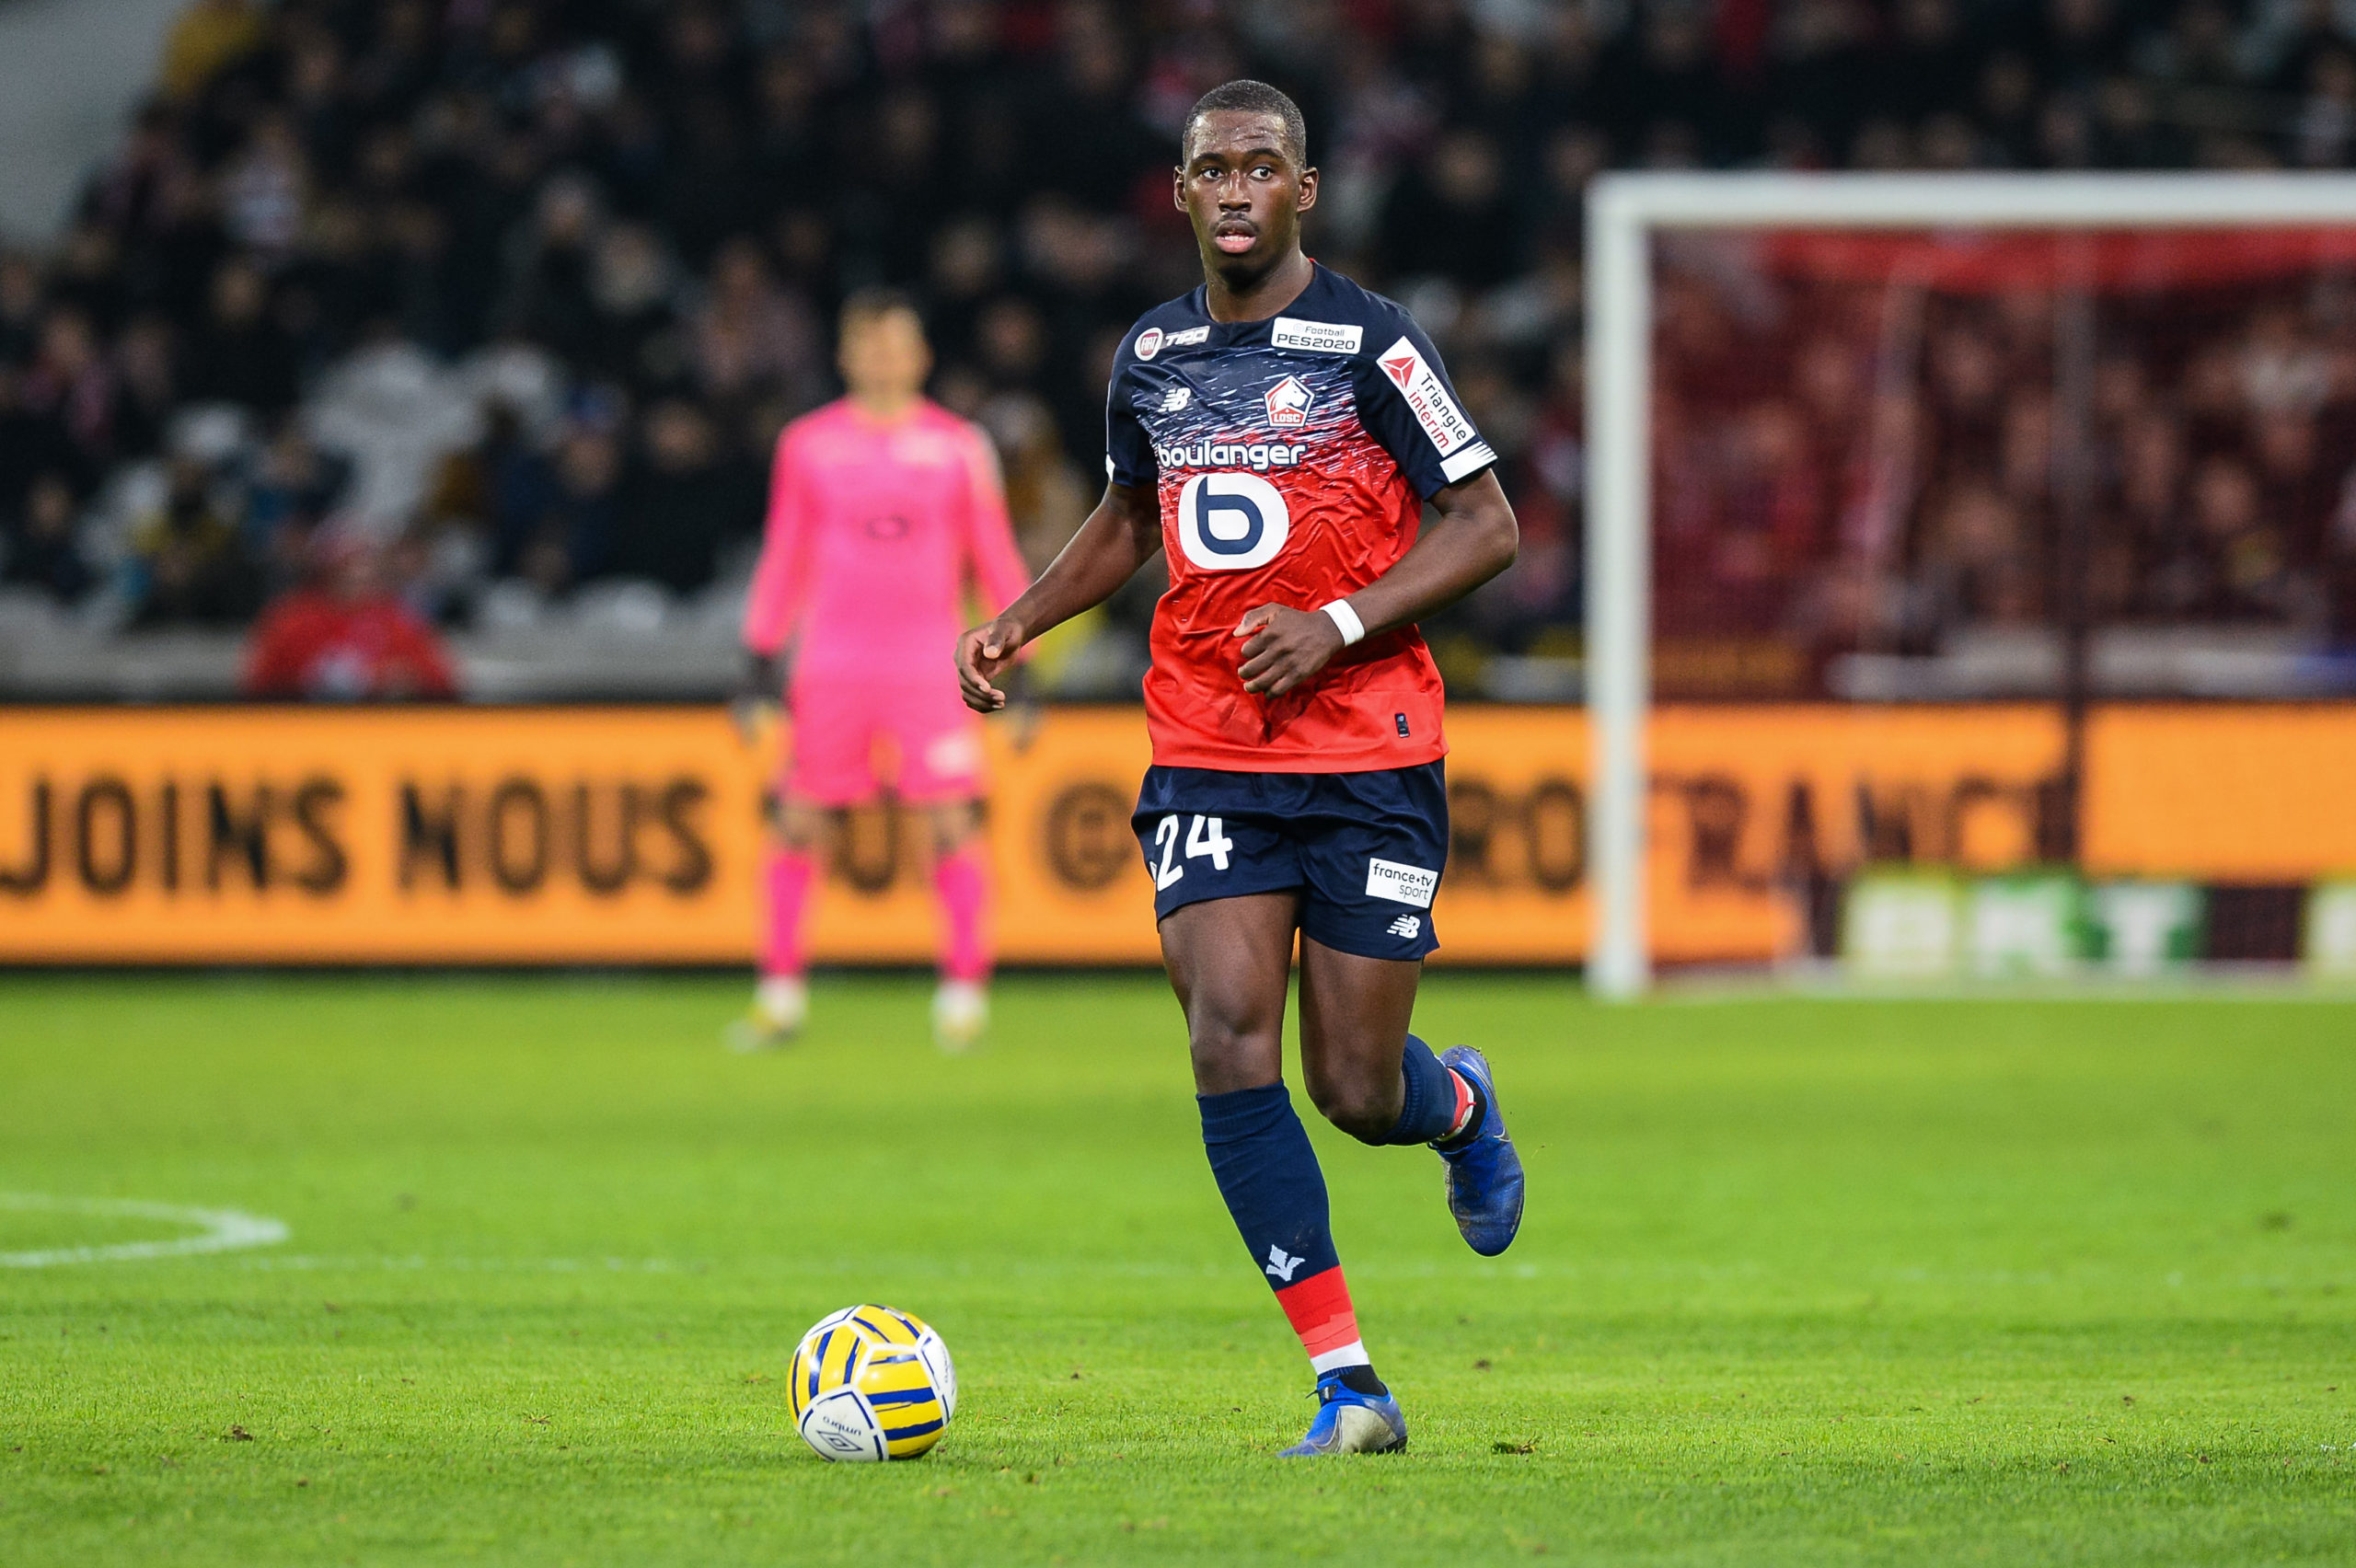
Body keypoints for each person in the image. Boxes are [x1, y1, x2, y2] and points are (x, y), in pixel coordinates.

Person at [957, 80, 1524, 1457]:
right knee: (1224, 1032)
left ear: (1303, 192)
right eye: (1211, 168)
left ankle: (1456, 1108)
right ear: (1180, 192)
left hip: (1371, 744)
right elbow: (1129, 515)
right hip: (1209, 743)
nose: (1233, 189)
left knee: (1355, 1090)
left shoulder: (1370, 343)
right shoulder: (1150, 352)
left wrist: (1335, 622)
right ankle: (1350, 1387)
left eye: (1261, 167)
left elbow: (1487, 523)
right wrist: (1021, 619)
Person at [740, 289, 1031, 1052]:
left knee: (949, 823)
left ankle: (963, 1000)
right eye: (869, 346)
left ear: (921, 356)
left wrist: (1019, 663)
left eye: (896, 345)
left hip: (927, 665)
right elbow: (785, 554)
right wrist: (758, 662)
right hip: (831, 665)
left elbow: (993, 555)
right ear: (846, 356)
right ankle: (779, 997)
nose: (882, 359)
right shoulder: (807, 444)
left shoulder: (960, 446)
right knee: (800, 823)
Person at [242, 526, 456, 700]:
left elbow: (442, 683)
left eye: (367, 568)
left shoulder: (398, 619)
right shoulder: (292, 618)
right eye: (348, 568)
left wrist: (407, 680)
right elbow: (258, 685)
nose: (359, 576)